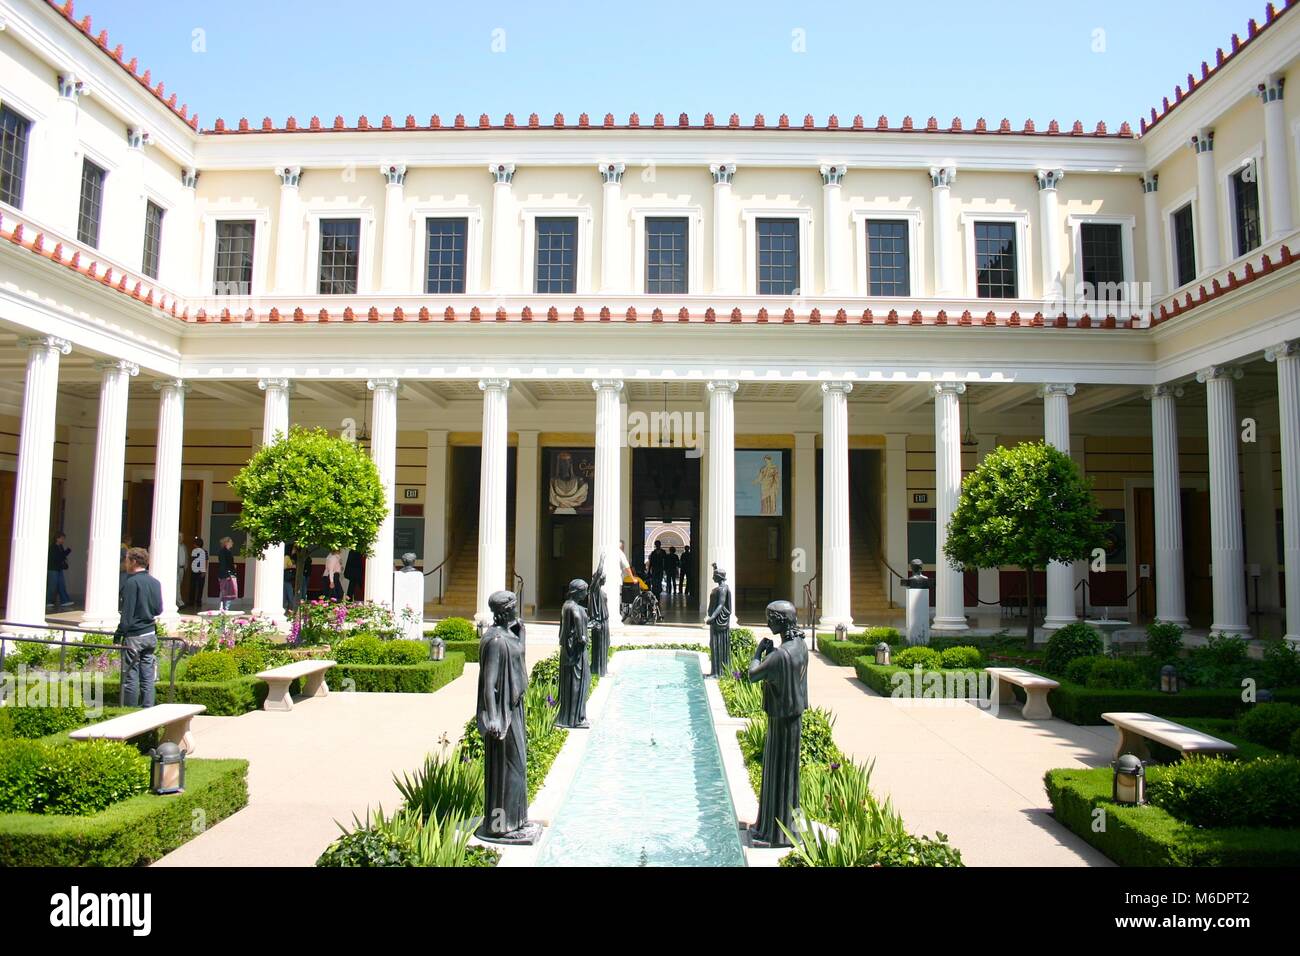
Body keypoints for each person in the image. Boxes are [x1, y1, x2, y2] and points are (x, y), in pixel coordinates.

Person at [746, 600, 809, 848]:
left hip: (780, 722)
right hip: (792, 719)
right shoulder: (800, 646)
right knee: (788, 774)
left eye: (770, 618)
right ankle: (782, 828)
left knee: (778, 771)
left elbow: (753, 674)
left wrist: (757, 653)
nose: (767, 623)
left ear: (781, 621)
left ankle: (774, 834)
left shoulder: (780, 655)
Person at [117, 547, 163, 708]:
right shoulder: (155, 582)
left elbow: (127, 614)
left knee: (131, 676)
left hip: (135, 635)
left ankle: (129, 712)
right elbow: (158, 610)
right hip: (150, 633)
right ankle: (148, 709)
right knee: (148, 676)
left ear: (134, 561)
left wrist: (118, 635)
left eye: (127, 560)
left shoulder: (131, 582)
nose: (126, 563)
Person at [556, 579, 591, 728]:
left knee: (571, 683)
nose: (587, 593)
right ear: (578, 592)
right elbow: (577, 623)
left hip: (567, 650)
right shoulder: (575, 608)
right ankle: (577, 719)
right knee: (580, 681)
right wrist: (582, 637)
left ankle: (568, 717)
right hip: (576, 653)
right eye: (585, 591)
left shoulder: (567, 605)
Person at [47, 533, 73, 609]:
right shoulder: (53, 547)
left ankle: (65, 601)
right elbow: (58, 557)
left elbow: (61, 556)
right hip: (53, 569)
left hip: (59, 569)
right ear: (57, 539)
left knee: (61, 585)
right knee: (52, 586)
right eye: (62, 538)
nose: (63, 540)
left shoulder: (60, 547)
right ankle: (48, 601)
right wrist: (67, 551)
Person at [216, 536, 237, 611]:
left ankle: (223, 608)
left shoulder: (224, 552)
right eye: (231, 541)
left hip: (225, 574)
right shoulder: (225, 552)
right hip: (226, 574)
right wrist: (227, 574)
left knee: (225, 591)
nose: (232, 543)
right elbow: (224, 564)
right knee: (227, 592)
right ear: (226, 542)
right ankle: (224, 609)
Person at [189, 537, 208, 611]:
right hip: (200, 570)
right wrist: (204, 571)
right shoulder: (205, 552)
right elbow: (206, 561)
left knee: (193, 586)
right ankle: (198, 601)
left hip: (196, 570)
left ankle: (192, 601)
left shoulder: (194, 551)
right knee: (200, 586)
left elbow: (193, 560)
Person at [176, 532, 188, 609]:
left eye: (182, 537)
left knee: (179, 585)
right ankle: (180, 603)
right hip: (175, 569)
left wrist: (185, 567)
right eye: (179, 536)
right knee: (177, 586)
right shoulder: (174, 545)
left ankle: (177, 602)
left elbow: (186, 557)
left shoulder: (184, 546)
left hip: (182, 569)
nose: (181, 538)